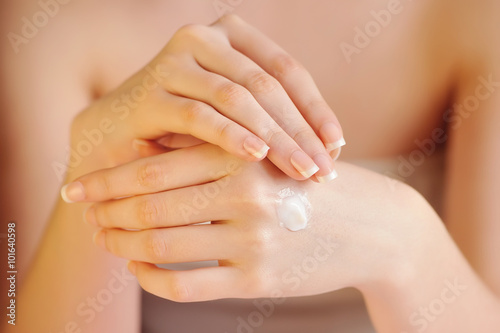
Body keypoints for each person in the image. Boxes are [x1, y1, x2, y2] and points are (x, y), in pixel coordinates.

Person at [1, 1, 499, 332]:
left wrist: (407, 242)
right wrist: (99, 161)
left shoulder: (478, 17)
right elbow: (17, 307)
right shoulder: (45, 20)